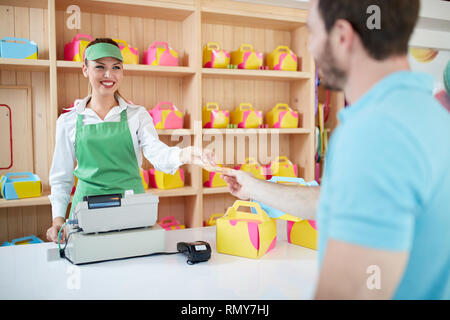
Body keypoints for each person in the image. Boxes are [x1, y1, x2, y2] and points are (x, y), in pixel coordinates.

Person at [222, 0, 450, 300]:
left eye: (312, 32)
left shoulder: (373, 134)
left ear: (342, 35)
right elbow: (340, 201)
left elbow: (351, 292)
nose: (310, 46)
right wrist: (254, 188)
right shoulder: (431, 115)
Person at [46, 38, 215, 243]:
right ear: (85, 69)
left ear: (122, 71)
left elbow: (156, 152)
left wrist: (185, 153)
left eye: (116, 67)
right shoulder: (69, 120)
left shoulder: (137, 115)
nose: (109, 75)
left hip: (132, 210)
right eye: (100, 67)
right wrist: (57, 220)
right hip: (86, 215)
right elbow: (61, 178)